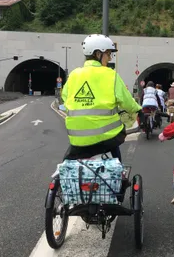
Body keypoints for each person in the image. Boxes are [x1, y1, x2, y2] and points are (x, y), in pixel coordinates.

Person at [61, 34, 143, 162]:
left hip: (76, 139)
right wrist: (139, 111)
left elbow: (65, 97)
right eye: (108, 53)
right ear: (98, 54)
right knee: (116, 167)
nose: (110, 57)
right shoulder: (110, 75)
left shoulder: (74, 75)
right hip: (106, 139)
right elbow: (127, 102)